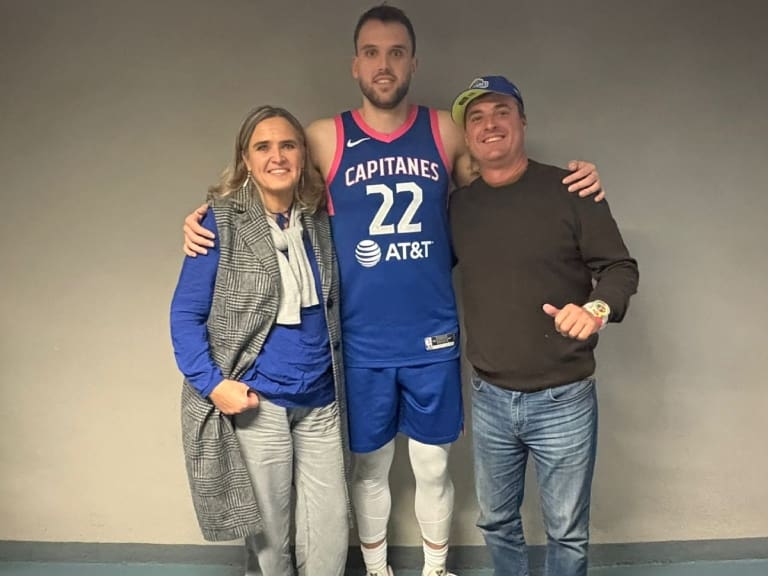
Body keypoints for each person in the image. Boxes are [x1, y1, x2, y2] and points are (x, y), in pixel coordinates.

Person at [181, 7, 604, 576]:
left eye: (397, 52)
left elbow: (503, 185)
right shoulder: (323, 137)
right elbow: (268, 177)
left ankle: (434, 570)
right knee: (368, 468)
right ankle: (378, 571)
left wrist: (574, 180)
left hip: (433, 333)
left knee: (434, 467)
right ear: (355, 64)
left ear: (413, 62)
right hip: (357, 343)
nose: (385, 64)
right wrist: (209, 215)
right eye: (373, 53)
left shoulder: (445, 130)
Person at [448, 75, 639, 576]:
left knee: (567, 532)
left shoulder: (572, 190)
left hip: (564, 399)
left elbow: (620, 268)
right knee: (495, 521)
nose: (490, 125)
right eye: (477, 118)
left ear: (522, 121)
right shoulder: (459, 207)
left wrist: (595, 310)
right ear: (468, 137)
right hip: (489, 397)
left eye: (501, 112)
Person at [170, 105, 350, 576]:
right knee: (271, 544)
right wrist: (213, 384)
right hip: (258, 400)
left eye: (288, 145)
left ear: (303, 155)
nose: (277, 156)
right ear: (246, 159)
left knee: (331, 533)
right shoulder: (220, 222)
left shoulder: (319, 219)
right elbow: (185, 316)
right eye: (263, 147)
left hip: (322, 399)